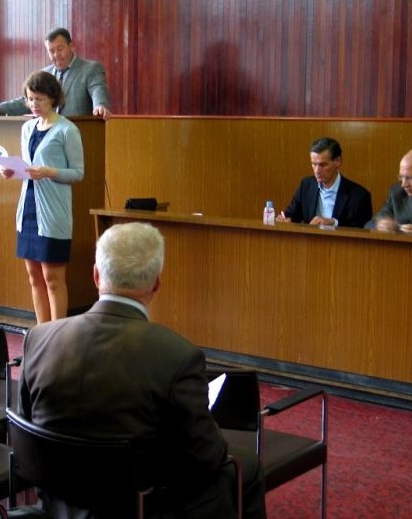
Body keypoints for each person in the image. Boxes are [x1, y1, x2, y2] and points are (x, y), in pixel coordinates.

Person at [19, 222, 267, 519]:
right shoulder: (177, 355)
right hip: (141, 507)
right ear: (156, 284)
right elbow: (207, 457)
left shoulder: (38, 339)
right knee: (247, 464)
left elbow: (28, 432)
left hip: (57, 503)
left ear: (96, 275)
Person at [0, 71, 84, 324]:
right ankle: (41, 330)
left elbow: (78, 173)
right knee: (34, 277)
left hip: (54, 212)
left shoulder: (67, 129)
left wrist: (49, 172)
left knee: (52, 279)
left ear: (53, 98)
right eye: (30, 99)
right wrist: (12, 170)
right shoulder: (27, 128)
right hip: (27, 209)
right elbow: (28, 166)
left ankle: (56, 334)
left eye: (40, 99)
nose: (34, 104)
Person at [0, 27, 112, 120]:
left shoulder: (90, 68)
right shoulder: (44, 74)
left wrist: (100, 105)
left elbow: (97, 89)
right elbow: (27, 100)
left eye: (60, 49)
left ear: (71, 46)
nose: (56, 54)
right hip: (48, 136)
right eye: (51, 51)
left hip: (80, 135)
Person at [276, 137, 372, 228]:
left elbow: (361, 229)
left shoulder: (359, 196)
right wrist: (286, 219)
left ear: (338, 161)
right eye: (314, 164)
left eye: (323, 165)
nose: (317, 171)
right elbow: (292, 214)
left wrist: (334, 223)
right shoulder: (306, 185)